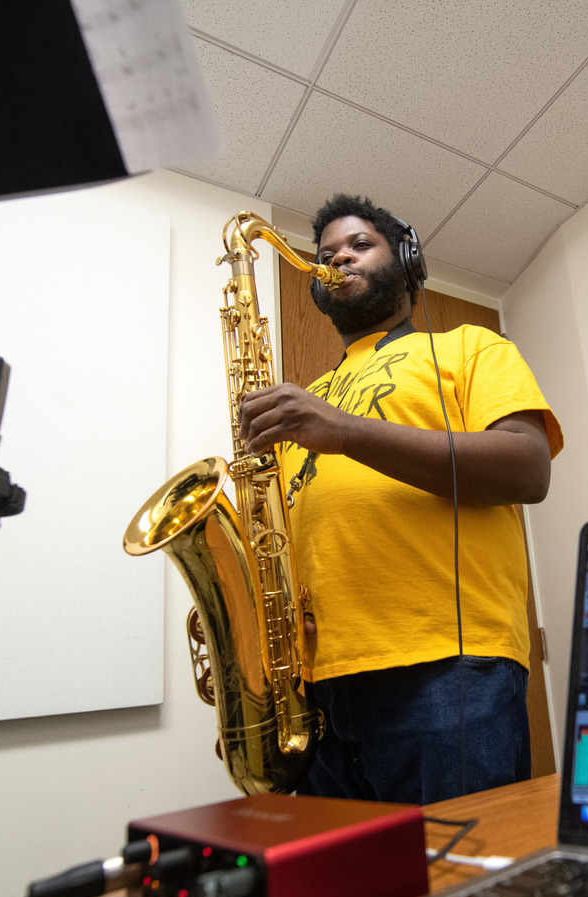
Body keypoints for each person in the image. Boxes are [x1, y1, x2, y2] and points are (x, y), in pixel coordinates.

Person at [237, 193, 564, 804]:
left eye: (360, 245)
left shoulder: (471, 347)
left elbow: (527, 468)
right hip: (316, 692)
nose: (340, 258)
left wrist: (341, 430)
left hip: (447, 668)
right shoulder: (309, 397)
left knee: (463, 892)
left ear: (408, 262)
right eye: (327, 253)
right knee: (353, 895)